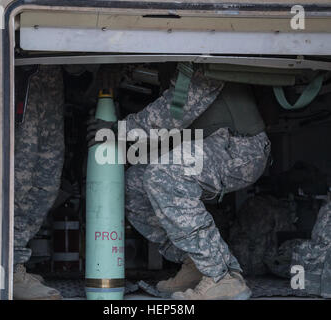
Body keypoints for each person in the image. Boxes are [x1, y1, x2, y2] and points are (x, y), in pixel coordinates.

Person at [87, 63, 271, 300]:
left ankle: (221, 275)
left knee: (164, 175)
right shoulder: (172, 58)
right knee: (134, 184)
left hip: (241, 148)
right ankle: (195, 263)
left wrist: (120, 130)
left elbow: (177, 109)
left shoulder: (202, 50)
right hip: (208, 144)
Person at [14, 65, 65, 300]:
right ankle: (10, 268)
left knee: (46, 180)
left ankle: (17, 264)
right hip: (23, 71)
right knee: (19, 177)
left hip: (51, 72)